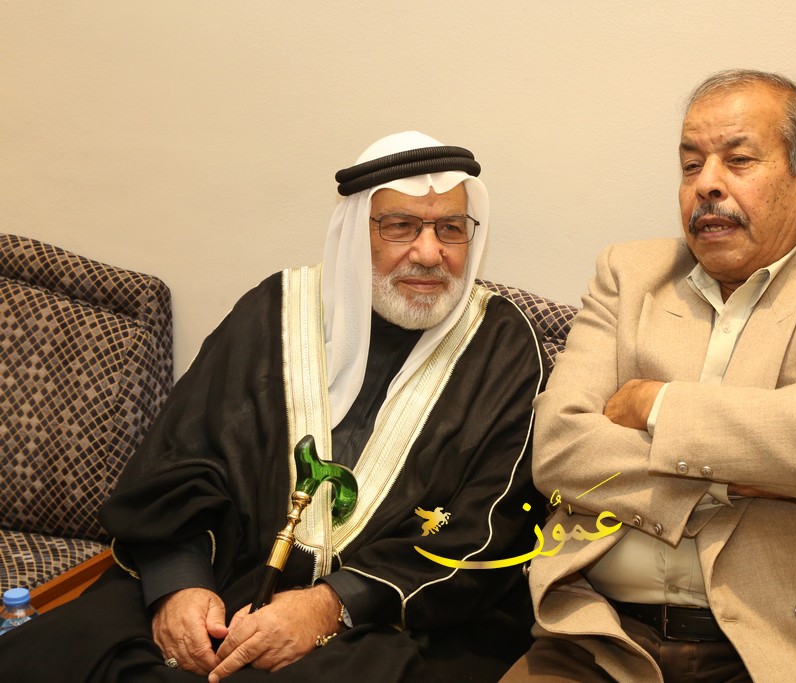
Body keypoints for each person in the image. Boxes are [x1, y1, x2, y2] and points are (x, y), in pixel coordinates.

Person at [0, 131, 547, 682]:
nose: (429, 253)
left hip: (388, 617)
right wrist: (179, 585)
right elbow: (179, 462)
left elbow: (493, 526)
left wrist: (331, 603)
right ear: (356, 232)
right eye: (400, 226)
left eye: (450, 228)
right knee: (67, 652)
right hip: (225, 574)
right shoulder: (276, 312)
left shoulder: (505, 349)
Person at [504, 70, 796, 682]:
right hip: (600, 635)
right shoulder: (628, 274)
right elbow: (560, 451)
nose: (707, 184)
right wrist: (759, 465)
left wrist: (654, 405)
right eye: (691, 165)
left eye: (738, 160)